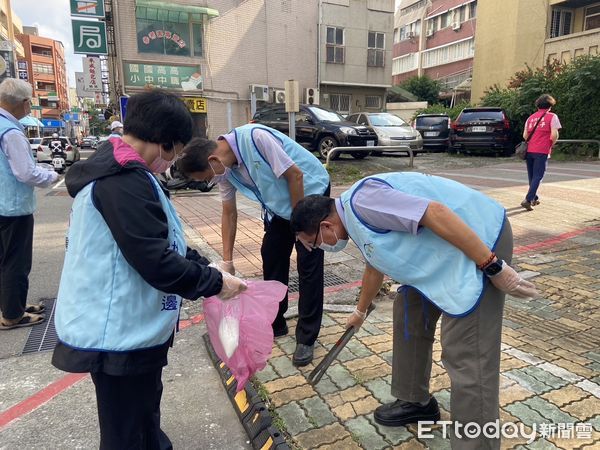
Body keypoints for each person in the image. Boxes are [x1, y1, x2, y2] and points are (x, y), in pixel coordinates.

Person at [51, 90, 247, 449]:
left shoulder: (131, 174)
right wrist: (215, 282)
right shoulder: (121, 182)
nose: (170, 161)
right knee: (126, 432)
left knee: (142, 417)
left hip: (129, 328)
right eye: (174, 150)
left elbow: (163, 240)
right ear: (164, 143)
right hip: (117, 334)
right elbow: (155, 262)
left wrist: (205, 265)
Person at [291, 172, 538, 449]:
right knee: (408, 311)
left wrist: (492, 265)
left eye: (313, 243)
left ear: (325, 226)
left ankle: (478, 444)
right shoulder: (350, 218)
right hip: (442, 253)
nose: (321, 247)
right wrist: (359, 312)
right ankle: (415, 401)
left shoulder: (364, 201)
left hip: (481, 239)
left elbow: (435, 212)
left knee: (467, 354)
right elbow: (376, 261)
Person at [177, 124, 330, 366]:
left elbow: (295, 176)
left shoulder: (257, 138)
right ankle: (276, 322)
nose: (211, 181)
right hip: (280, 206)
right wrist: (227, 261)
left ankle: (307, 338)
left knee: (308, 262)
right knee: (271, 255)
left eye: (207, 178)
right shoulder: (225, 171)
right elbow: (229, 213)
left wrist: (300, 228)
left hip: (309, 193)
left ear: (213, 160)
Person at [0, 78, 58, 330]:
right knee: (16, 262)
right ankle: (13, 314)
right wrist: (52, 175)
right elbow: (25, 173)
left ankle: (11, 306)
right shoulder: (11, 132)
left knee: (4, 260)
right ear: (24, 103)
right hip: (12, 207)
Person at [521, 94, 561, 211]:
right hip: (542, 150)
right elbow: (554, 134)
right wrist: (550, 143)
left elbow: (525, 135)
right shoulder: (552, 117)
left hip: (529, 151)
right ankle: (528, 199)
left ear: (538, 105)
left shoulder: (530, 118)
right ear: (550, 106)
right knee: (538, 176)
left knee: (532, 176)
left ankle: (534, 197)